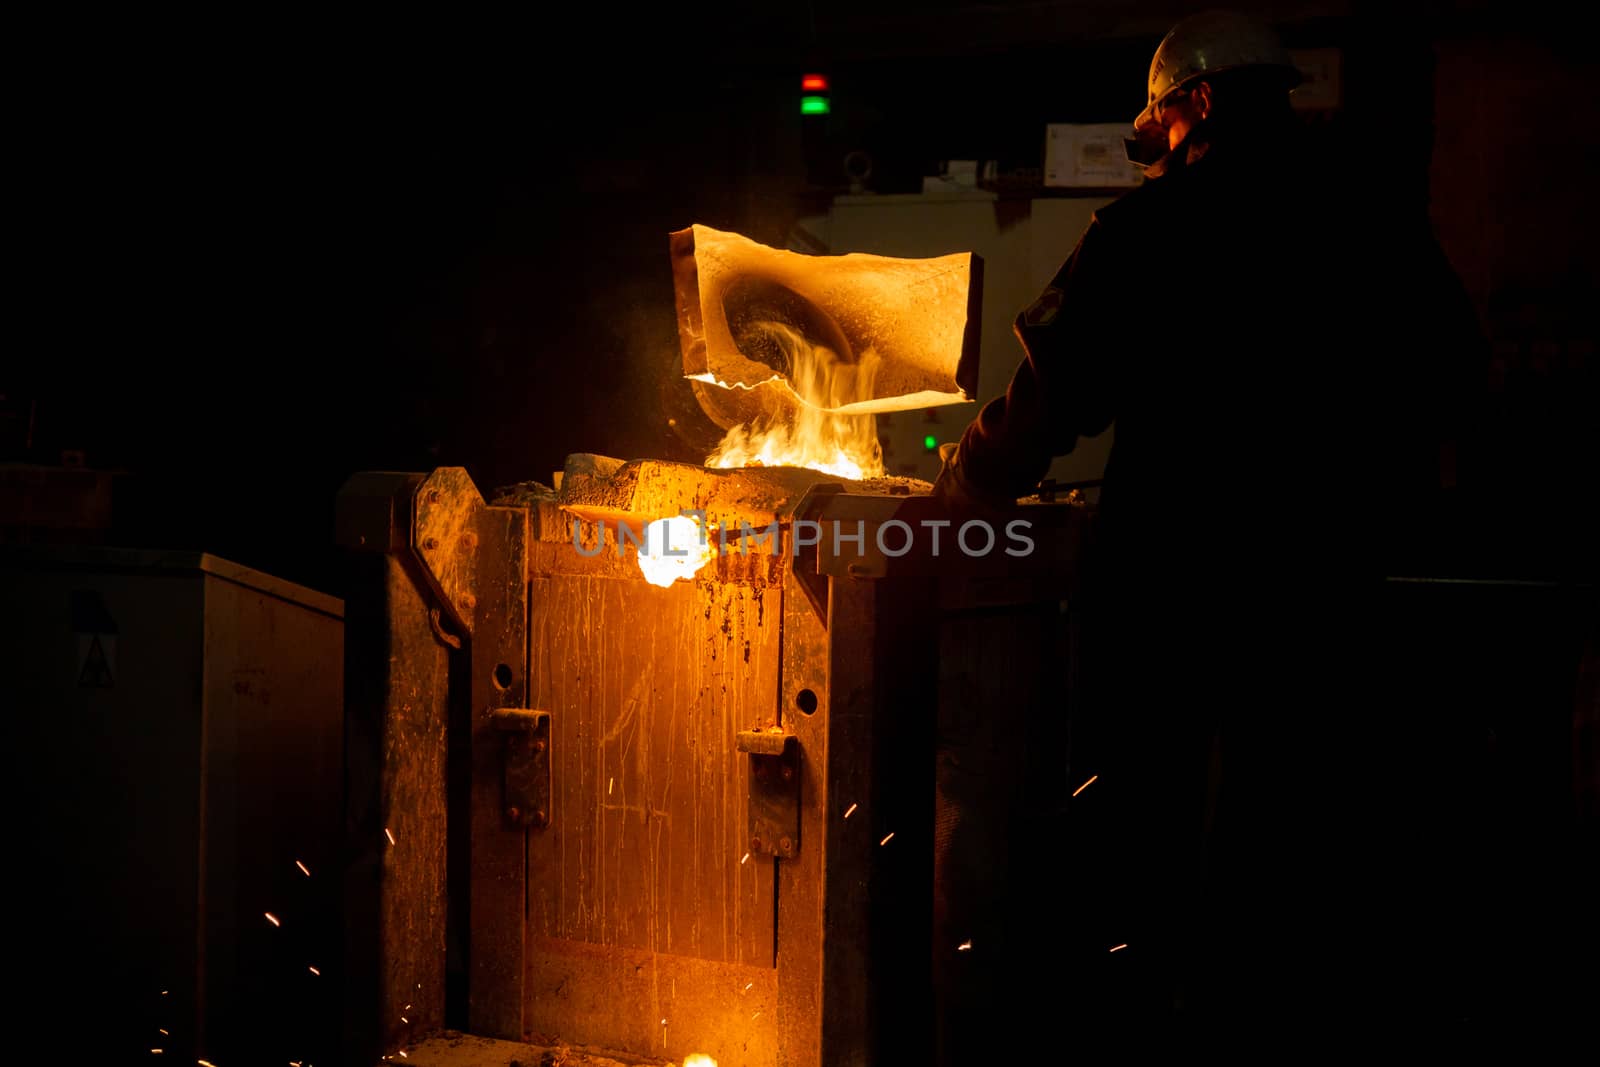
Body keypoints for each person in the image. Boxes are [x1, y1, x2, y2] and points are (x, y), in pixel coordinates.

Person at [933, 8, 1483, 1051]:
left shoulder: (1151, 229)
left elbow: (1058, 387)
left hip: (1172, 572)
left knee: (1141, 809)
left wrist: (968, 482)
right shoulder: (1375, 217)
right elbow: (1453, 369)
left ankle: (1140, 1019)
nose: (1157, 142)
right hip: (1332, 574)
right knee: (1298, 813)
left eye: (1160, 120)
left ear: (1195, 104)